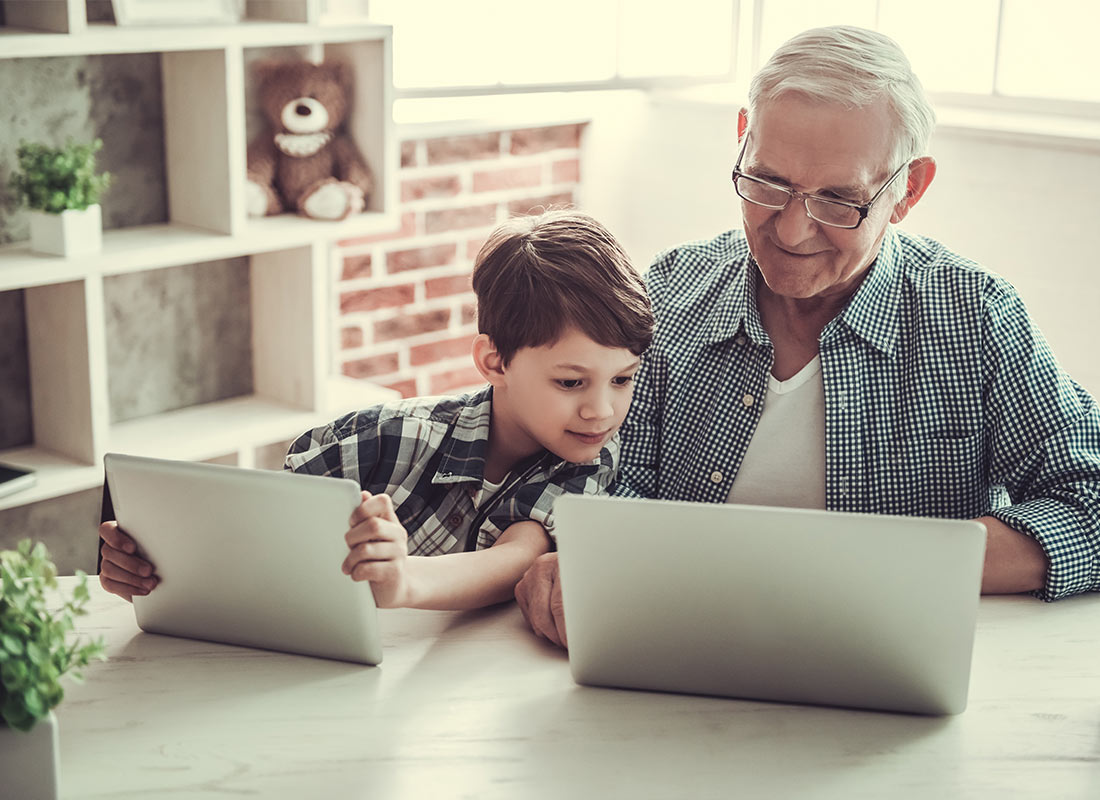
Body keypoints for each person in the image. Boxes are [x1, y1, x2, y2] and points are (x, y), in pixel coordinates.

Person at [516, 25, 1100, 648]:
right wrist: (572, 551)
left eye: (839, 200)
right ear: (743, 138)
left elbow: (1089, 500)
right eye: (768, 183)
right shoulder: (668, 292)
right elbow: (591, 473)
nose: (792, 231)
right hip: (675, 653)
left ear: (909, 189)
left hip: (883, 666)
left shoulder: (975, 316)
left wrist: (883, 566)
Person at [98, 209, 654, 610]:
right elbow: (258, 541)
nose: (601, 410)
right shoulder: (377, 440)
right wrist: (154, 566)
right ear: (494, 362)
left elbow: (513, 558)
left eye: (624, 378)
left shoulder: (589, 463)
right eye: (571, 381)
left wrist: (403, 580)